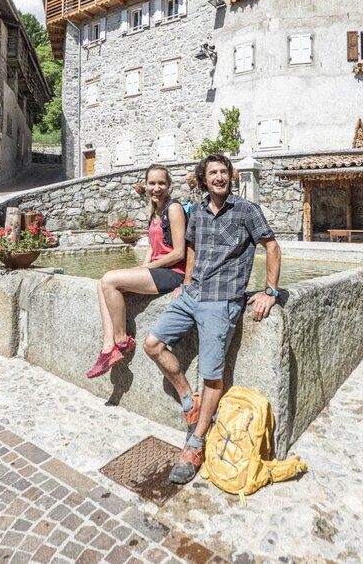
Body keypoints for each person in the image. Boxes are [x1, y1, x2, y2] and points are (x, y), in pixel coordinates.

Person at [143, 153, 281, 484]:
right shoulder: (198, 211)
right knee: (152, 344)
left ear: (230, 176)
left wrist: (270, 292)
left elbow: (272, 247)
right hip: (193, 295)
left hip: (222, 302)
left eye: (223, 172)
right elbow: (190, 248)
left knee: (212, 376)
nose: (218, 177)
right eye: (212, 173)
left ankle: (195, 443)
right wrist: (186, 283)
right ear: (203, 179)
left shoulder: (246, 210)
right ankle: (190, 400)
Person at [86, 164, 188, 379]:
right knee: (101, 283)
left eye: (161, 183)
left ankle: (122, 341)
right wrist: (140, 268)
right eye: (152, 183)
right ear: (146, 185)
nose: (156, 188)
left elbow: (179, 253)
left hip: (173, 273)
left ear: (169, 185)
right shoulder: (155, 211)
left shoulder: (174, 209)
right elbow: (152, 248)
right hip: (159, 270)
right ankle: (108, 348)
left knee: (109, 280)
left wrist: (146, 268)